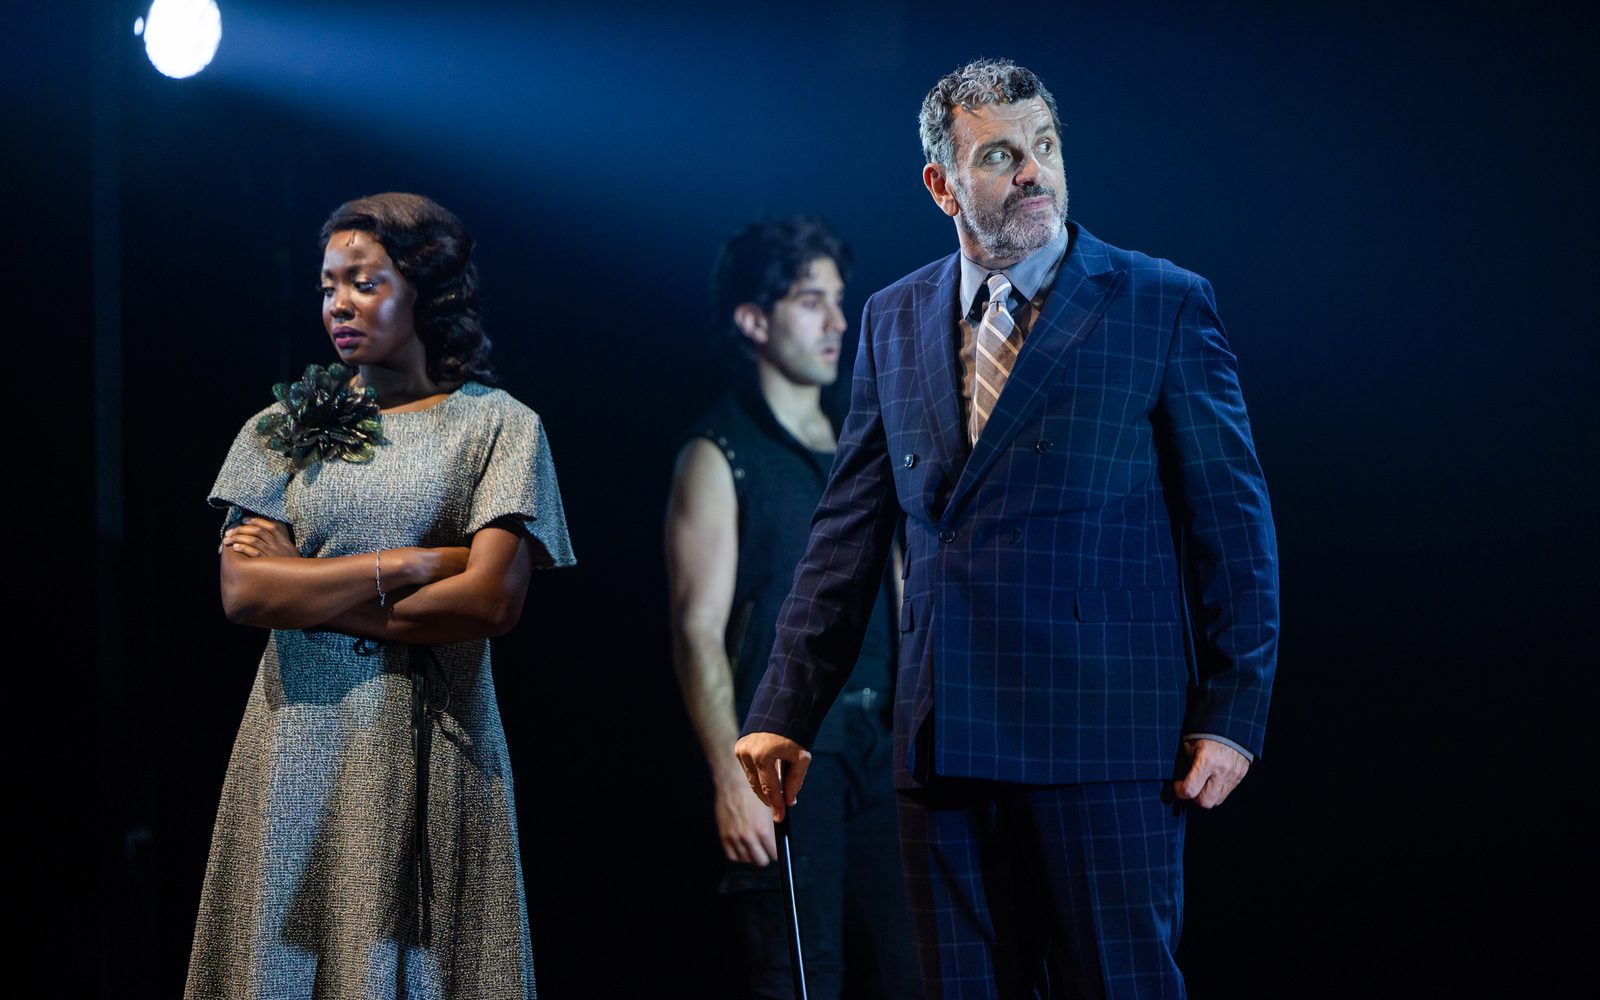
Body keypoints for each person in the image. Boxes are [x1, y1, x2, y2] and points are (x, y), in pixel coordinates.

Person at [735, 59, 1279, 999]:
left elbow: (1234, 531)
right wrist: (784, 708)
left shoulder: (1159, 302)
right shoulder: (894, 318)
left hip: (1104, 742)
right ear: (942, 184)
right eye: (999, 155)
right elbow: (845, 538)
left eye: (1045, 146)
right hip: (945, 739)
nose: (1033, 172)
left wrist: (1233, 715)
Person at [186, 192, 573, 999]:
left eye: (364, 283)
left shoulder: (498, 426)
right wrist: (409, 565)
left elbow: (490, 604)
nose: (339, 304)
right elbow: (246, 589)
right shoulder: (283, 428)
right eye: (328, 286)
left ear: (426, 291)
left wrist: (310, 592)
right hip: (297, 745)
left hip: (434, 742)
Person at [666, 216, 921, 998]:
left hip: (886, 750)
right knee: (803, 980)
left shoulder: (863, 437)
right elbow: (697, 632)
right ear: (754, 319)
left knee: (915, 975)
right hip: (787, 761)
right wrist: (729, 778)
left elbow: (904, 592)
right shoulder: (720, 452)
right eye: (812, 301)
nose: (838, 321)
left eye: (839, 300)